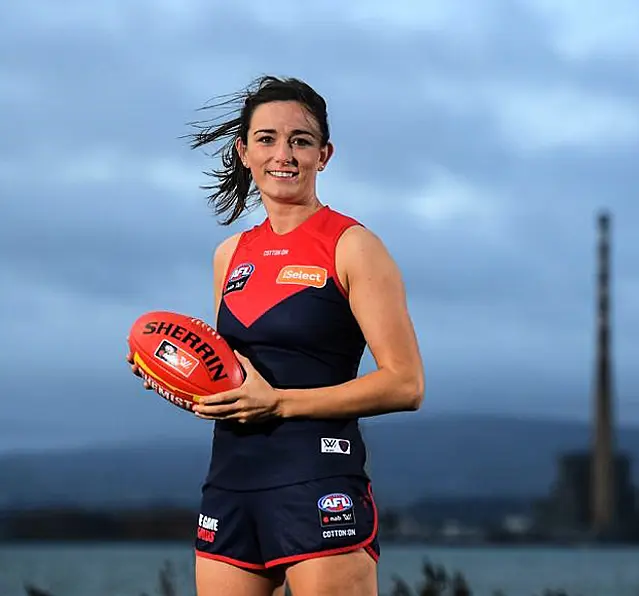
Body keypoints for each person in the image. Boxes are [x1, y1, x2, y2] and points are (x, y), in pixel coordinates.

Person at [126, 75, 424, 596]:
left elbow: (405, 384)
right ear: (244, 151)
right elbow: (233, 380)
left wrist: (280, 403)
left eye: (300, 140)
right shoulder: (229, 255)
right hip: (231, 483)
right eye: (266, 139)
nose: (282, 154)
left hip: (318, 478)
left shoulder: (352, 246)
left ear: (324, 155)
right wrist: (176, 378)